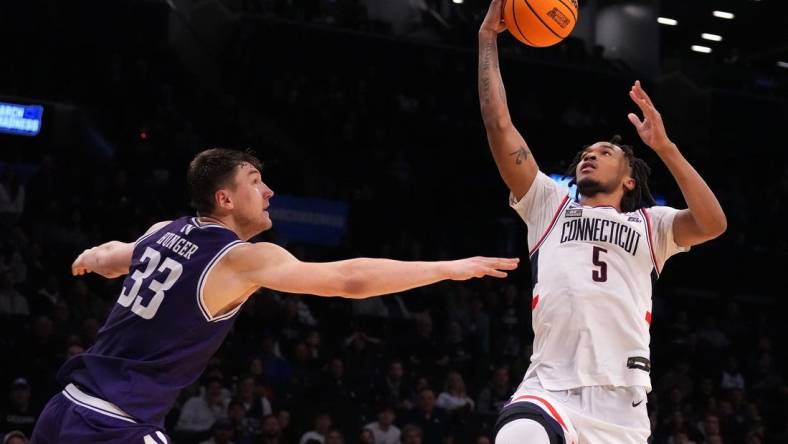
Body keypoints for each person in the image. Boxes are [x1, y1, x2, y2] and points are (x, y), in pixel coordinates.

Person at [30, 148, 519, 443]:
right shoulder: (239, 257)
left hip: (64, 408)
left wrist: (91, 256)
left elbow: (118, 255)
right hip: (112, 425)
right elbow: (349, 279)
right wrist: (449, 268)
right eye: (255, 182)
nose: (268, 191)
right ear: (225, 199)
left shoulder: (164, 231)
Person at [477, 1, 727, 443]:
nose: (590, 155)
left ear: (629, 179)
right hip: (549, 388)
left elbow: (712, 223)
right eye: (586, 153)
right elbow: (500, 126)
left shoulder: (653, 227)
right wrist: (486, 42)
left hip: (621, 406)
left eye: (605, 152)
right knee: (518, 436)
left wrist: (666, 147)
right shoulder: (548, 205)